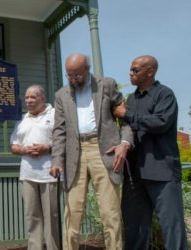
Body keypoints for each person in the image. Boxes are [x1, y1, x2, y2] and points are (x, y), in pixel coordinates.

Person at [49, 53, 133, 250]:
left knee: (110, 212)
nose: (72, 79)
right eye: (68, 74)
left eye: (76, 74)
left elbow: (126, 118)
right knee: (72, 213)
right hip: (74, 153)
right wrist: (56, 160)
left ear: (87, 70)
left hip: (104, 150)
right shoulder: (61, 94)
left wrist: (124, 143)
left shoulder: (107, 84)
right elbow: (59, 130)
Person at [113, 55, 188, 250]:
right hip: (135, 174)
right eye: (130, 69)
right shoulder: (130, 99)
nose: (131, 73)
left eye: (135, 70)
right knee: (134, 228)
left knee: (172, 228)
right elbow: (127, 128)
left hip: (162, 171)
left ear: (150, 72)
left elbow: (160, 123)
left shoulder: (165, 95)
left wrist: (127, 115)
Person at [10, 85, 60, 250]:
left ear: (43, 98)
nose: (29, 101)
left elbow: (62, 139)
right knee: (32, 216)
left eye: (33, 97)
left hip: (49, 172)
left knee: (51, 216)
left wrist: (47, 147)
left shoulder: (53, 115)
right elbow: (13, 145)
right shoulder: (22, 120)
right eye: (27, 98)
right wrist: (23, 149)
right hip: (27, 174)